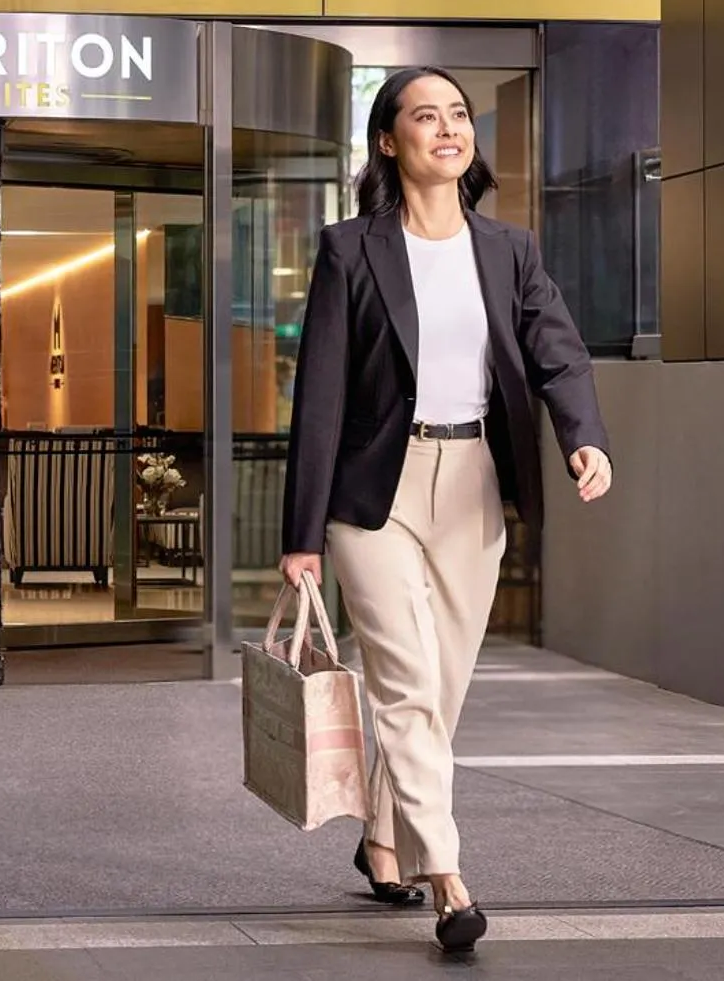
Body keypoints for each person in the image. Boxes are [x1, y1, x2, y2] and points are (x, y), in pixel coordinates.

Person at [279, 67, 612, 955]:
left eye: (458, 114)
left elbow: (558, 353)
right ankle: (448, 877)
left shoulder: (509, 249)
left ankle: (382, 839)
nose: (448, 127)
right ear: (389, 141)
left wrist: (586, 436)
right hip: (372, 492)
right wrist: (300, 535)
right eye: (424, 116)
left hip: (472, 481)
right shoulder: (352, 248)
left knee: (443, 687)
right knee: (404, 681)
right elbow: (319, 393)